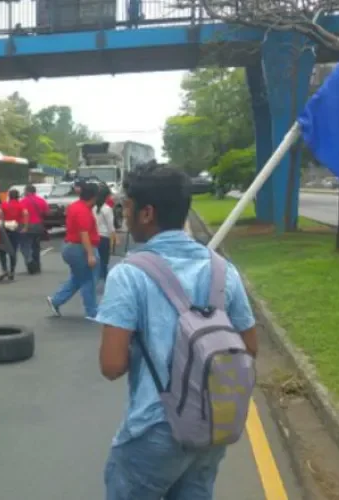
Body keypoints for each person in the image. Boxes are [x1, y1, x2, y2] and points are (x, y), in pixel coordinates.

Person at [94, 165, 258, 499]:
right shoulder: (222, 270)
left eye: (127, 206)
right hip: (212, 425)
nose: (124, 213)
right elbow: (249, 347)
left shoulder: (128, 275)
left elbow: (111, 366)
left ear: (147, 213)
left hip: (156, 428)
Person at [46, 182, 100, 319]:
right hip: (79, 248)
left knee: (78, 278)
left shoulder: (75, 206)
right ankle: (92, 312)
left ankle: (56, 300)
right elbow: (84, 233)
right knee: (89, 280)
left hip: (70, 247)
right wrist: (90, 254)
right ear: (93, 197)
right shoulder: (83, 211)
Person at [20, 184, 48, 274]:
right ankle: (38, 265)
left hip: (27, 226)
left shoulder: (23, 201)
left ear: (27, 191)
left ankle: (31, 266)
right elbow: (46, 212)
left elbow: (21, 214)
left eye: (24, 191)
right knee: (36, 246)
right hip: (38, 226)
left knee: (27, 246)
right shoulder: (41, 200)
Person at [0, 188, 23, 281]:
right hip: (16, 228)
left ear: (9, 196)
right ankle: (12, 271)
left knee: (2, 250)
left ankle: (4, 269)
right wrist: (25, 227)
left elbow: (0, 216)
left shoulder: (4, 205)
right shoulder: (21, 205)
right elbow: (25, 214)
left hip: (5, 229)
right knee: (13, 251)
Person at [93, 183, 116, 283]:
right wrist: (114, 239)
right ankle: (105, 280)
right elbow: (111, 227)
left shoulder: (93, 207)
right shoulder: (107, 209)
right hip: (104, 237)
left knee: (97, 259)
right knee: (104, 260)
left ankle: (96, 278)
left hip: (94, 236)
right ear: (106, 196)